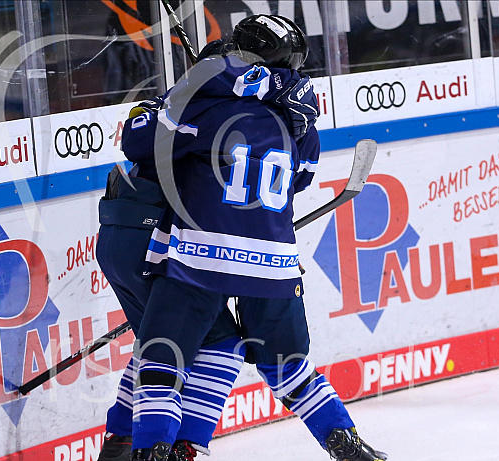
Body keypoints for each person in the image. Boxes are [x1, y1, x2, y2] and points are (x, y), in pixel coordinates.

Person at [120, 15, 387, 461]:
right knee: (290, 367)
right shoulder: (301, 124)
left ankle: (152, 452)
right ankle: (347, 444)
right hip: (275, 261)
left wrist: (184, 92)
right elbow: (299, 181)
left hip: (201, 258)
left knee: (162, 363)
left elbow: (136, 142)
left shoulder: (207, 107)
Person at [95, 38, 318, 461]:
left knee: (156, 342)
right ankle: (178, 449)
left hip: (119, 231)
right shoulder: (229, 112)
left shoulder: (180, 106)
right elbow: (291, 180)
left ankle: (121, 441)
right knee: (220, 346)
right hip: (153, 239)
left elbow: (140, 135)